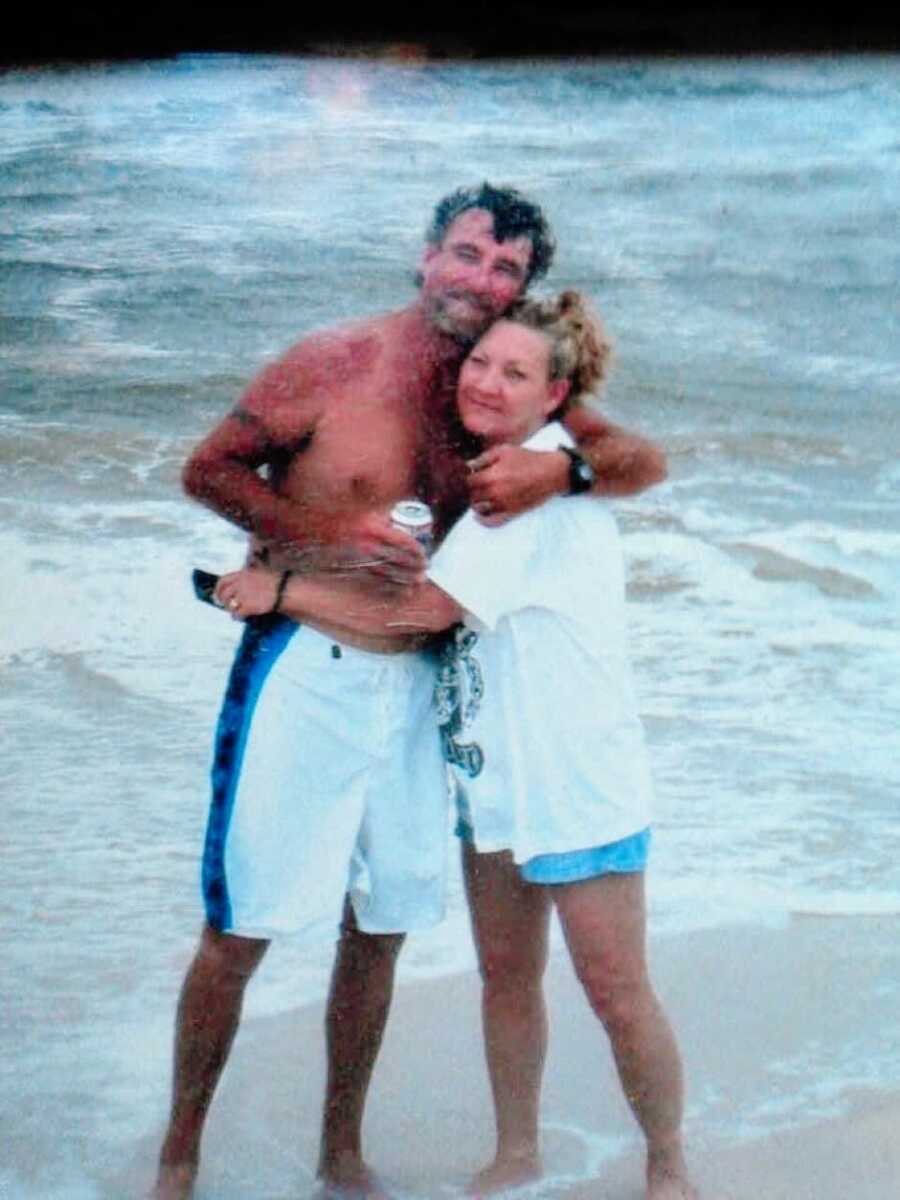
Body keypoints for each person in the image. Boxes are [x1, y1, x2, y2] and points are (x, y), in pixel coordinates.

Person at [151, 183, 667, 1200]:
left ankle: (339, 1153)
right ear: (428, 253)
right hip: (303, 667)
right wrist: (326, 538)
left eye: (506, 269)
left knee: (379, 927)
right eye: (468, 254)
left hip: (424, 691)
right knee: (241, 928)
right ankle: (179, 1161)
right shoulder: (337, 362)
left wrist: (560, 481)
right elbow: (208, 469)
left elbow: (638, 461)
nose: (482, 281)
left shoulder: (495, 386)